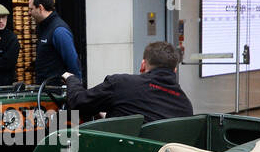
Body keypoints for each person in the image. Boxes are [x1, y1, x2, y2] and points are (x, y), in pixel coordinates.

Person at [63, 41, 193, 123]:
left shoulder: (121, 84)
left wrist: (70, 79)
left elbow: (78, 102)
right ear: (174, 70)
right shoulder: (185, 106)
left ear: (143, 65)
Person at [30, 0, 81, 81]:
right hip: (45, 90)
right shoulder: (42, 27)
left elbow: (73, 62)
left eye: (31, 9)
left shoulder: (59, 30)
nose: (29, 13)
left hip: (56, 92)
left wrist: (77, 90)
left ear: (40, 8)